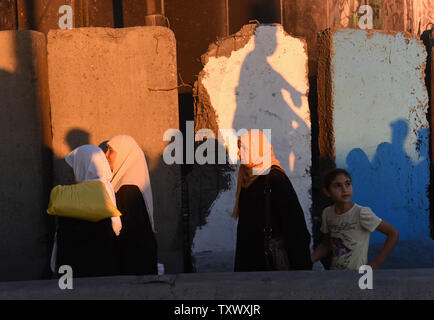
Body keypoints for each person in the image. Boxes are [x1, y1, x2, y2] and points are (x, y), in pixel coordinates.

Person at [233, 130, 312, 272]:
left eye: (243, 148)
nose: (239, 153)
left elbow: (295, 227)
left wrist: (301, 269)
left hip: (270, 264)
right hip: (249, 263)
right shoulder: (247, 177)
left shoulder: (276, 179)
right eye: (239, 148)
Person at [311, 168, 399, 270]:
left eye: (347, 184)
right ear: (327, 192)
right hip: (335, 274)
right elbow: (326, 245)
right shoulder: (327, 213)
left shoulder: (361, 213)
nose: (344, 190)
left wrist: (377, 262)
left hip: (358, 275)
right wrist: (308, 261)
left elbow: (393, 233)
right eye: (337, 186)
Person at [55, 145, 122, 277]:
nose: (72, 172)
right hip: (104, 268)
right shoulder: (107, 186)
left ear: (83, 166)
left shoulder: (85, 193)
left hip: (84, 270)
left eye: (74, 167)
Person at [105, 134, 158, 275]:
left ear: (124, 154)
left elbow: (127, 231)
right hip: (137, 258)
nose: (106, 155)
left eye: (110, 151)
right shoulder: (127, 183)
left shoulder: (128, 188)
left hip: (133, 263)